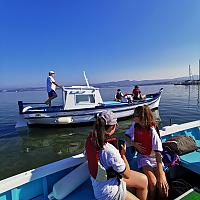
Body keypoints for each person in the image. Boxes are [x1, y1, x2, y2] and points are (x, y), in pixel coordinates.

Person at [85, 110, 148, 200]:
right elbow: (127, 175)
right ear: (113, 127)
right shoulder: (109, 150)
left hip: (100, 184)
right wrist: (122, 155)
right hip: (109, 193)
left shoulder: (90, 140)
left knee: (143, 180)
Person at [124, 105, 169, 200]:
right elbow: (126, 136)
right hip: (143, 158)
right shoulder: (135, 125)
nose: (133, 117)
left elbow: (158, 153)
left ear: (141, 117)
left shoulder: (152, 130)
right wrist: (134, 144)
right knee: (152, 182)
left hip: (156, 159)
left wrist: (161, 174)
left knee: (162, 185)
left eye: (135, 115)